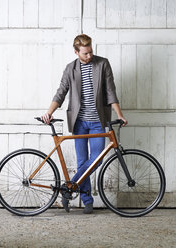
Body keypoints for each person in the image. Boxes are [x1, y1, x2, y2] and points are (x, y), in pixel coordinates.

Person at [41, 34, 127, 214]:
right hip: (79, 122)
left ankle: (68, 187)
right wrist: (49, 112)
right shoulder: (70, 68)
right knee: (82, 162)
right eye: (85, 53)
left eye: (91, 52)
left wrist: (120, 114)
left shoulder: (102, 64)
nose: (89, 56)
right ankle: (87, 200)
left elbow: (111, 92)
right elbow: (61, 93)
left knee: (96, 159)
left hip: (97, 122)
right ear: (76, 52)